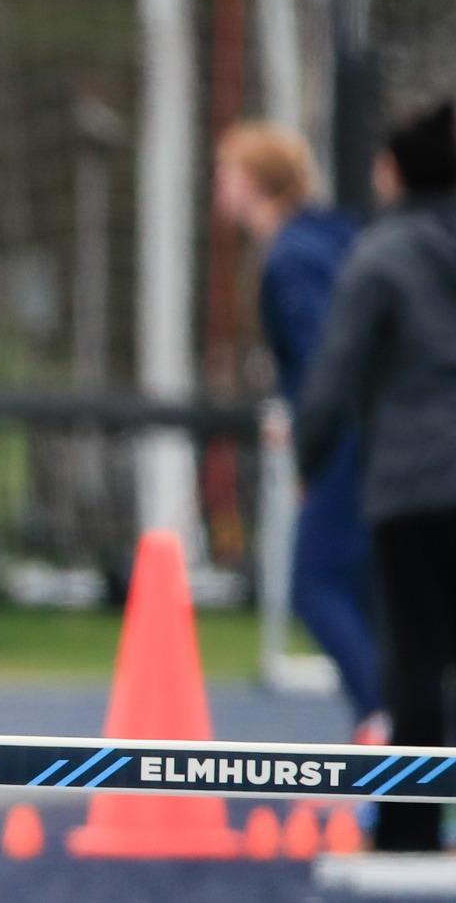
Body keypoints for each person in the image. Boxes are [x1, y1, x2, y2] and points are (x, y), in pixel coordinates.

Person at [297, 100, 456, 852]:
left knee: (416, 663)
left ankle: (409, 828)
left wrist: (309, 458)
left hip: (414, 485)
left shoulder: (384, 252)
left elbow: (335, 373)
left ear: (398, 172)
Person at [211, 122, 386, 745]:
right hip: (381, 435)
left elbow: (325, 361)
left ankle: (380, 720)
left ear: (254, 182)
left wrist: (310, 443)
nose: (220, 190)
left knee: (316, 584)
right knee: (368, 590)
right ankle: (402, 733)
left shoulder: (292, 256)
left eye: (227, 175)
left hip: (350, 437)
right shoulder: (335, 236)